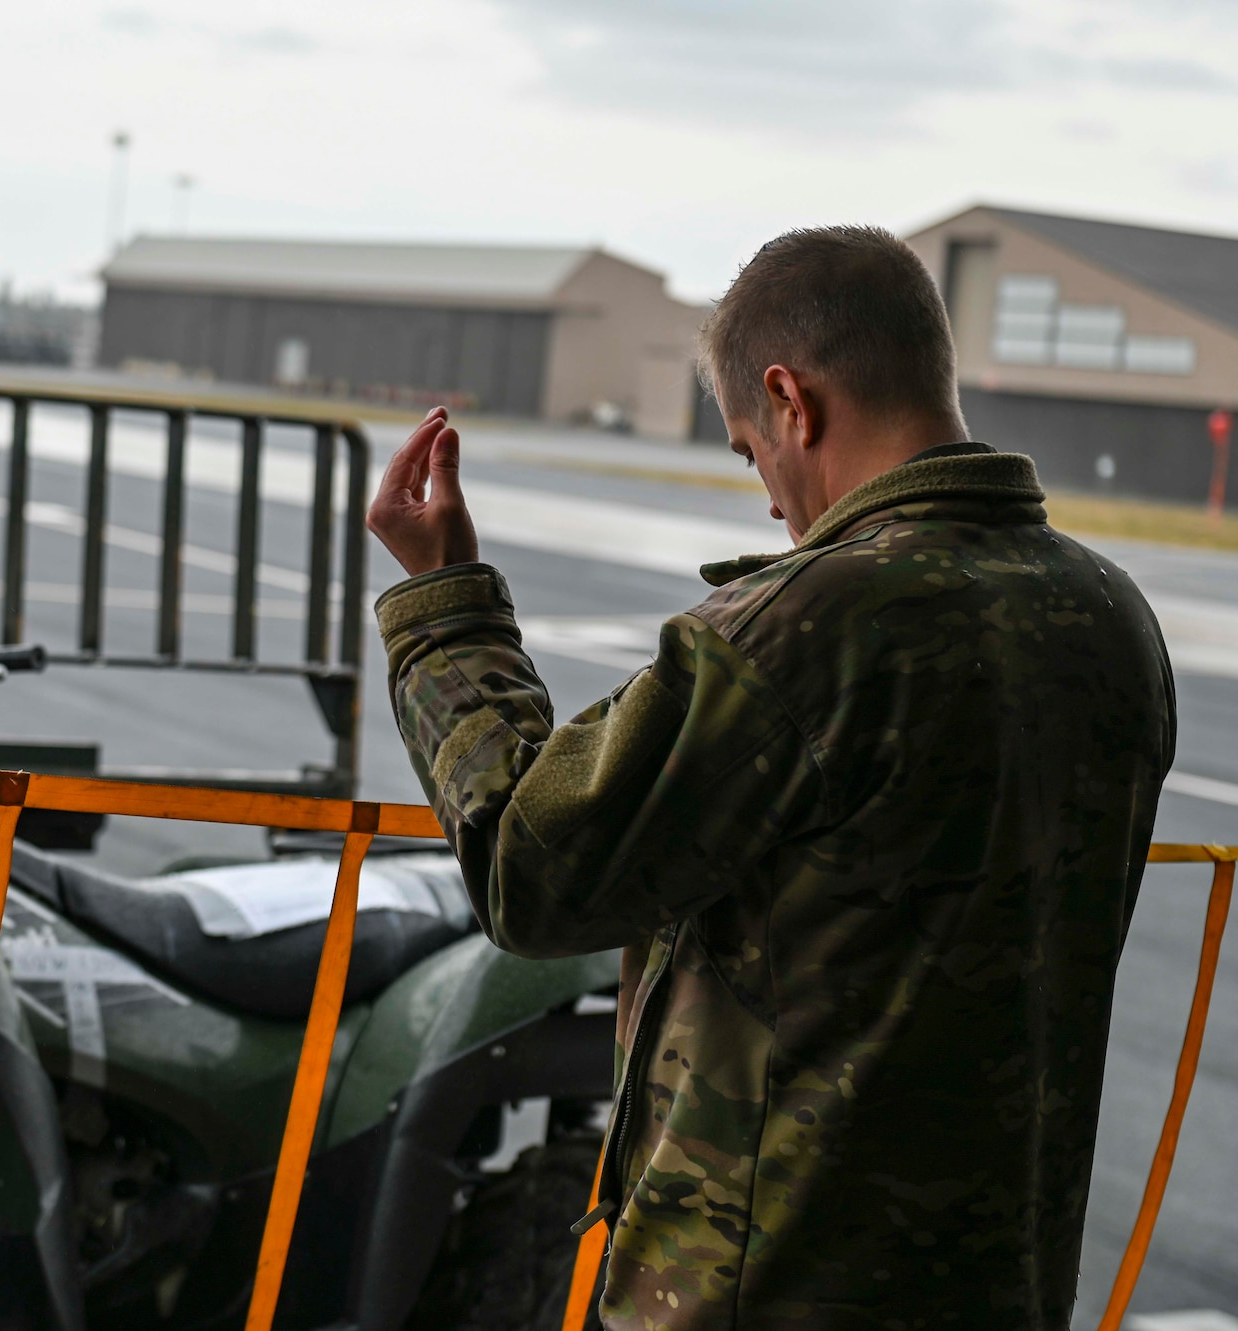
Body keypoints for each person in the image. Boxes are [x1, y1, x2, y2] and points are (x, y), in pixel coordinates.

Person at [366, 225, 1175, 1329]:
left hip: (766, 1288)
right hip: (996, 1285)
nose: (767, 500)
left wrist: (443, 606)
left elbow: (530, 867)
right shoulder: (1110, 616)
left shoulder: (804, 627)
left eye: (751, 449)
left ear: (790, 400)